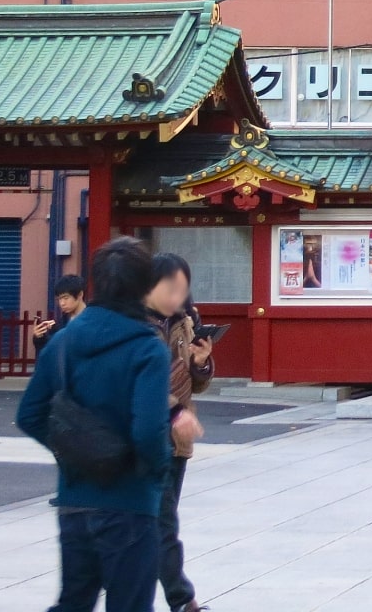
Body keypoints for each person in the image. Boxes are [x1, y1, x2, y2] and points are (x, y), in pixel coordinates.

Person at [17, 236, 195, 612]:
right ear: (143, 286)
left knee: (73, 602)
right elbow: (148, 430)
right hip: (131, 504)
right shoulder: (146, 347)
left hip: (75, 500)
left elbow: (29, 414)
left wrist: (72, 451)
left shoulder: (63, 342)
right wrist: (156, 473)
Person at [148, 252, 215, 612]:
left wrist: (201, 364)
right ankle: (183, 600)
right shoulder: (136, 326)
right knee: (161, 523)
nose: (178, 294)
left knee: (161, 520)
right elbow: (142, 383)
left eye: (182, 287)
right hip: (146, 437)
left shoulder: (186, 323)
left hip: (177, 440)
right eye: (171, 286)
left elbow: (196, 385)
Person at [32, 273, 88, 353]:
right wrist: (39, 337)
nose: (62, 303)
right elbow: (49, 353)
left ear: (80, 295)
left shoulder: (93, 320)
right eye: (59, 299)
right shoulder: (60, 324)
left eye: (66, 298)